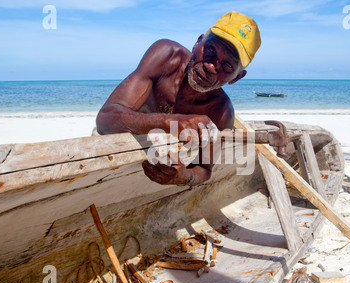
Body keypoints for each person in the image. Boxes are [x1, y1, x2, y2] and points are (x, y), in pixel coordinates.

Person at [96, 11, 261, 187]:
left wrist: (184, 177)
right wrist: (170, 122)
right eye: (210, 50)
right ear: (198, 43)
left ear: (236, 78)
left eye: (227, 65)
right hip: (118, 142)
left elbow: (204, 168)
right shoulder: (166, 56)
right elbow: (105, 119)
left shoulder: (220, 112)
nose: (211, 66)